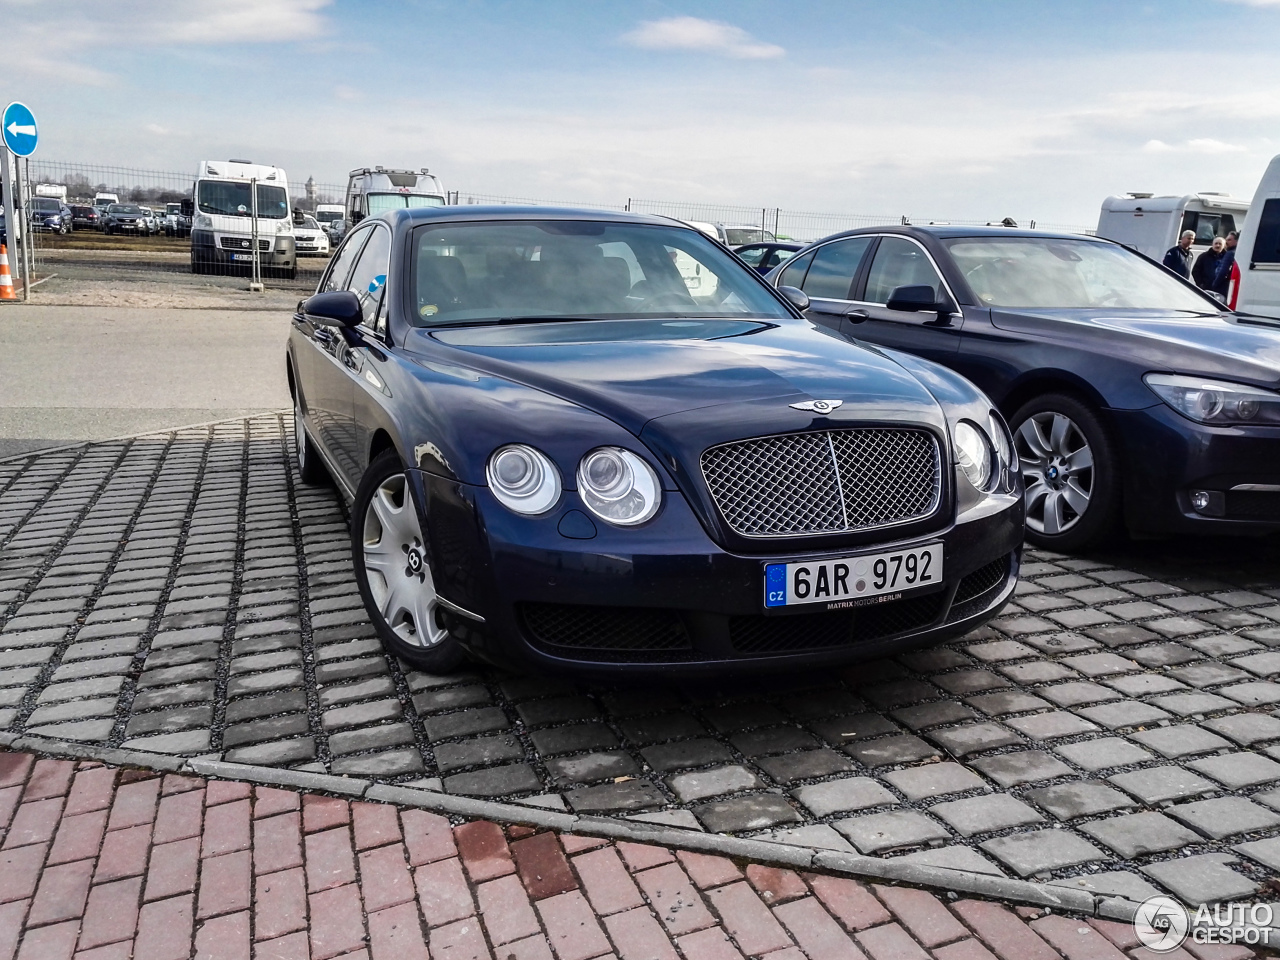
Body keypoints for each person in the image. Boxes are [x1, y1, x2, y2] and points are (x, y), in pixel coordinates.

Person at [1212, 230, 1239, 299]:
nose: (1226, 242)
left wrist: (1215, 284)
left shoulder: (1230, 253)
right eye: (1226, 240)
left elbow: (1223, 271)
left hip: (1225, 286)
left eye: (1229, 240)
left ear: (1236, 241)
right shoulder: (1239, 252)